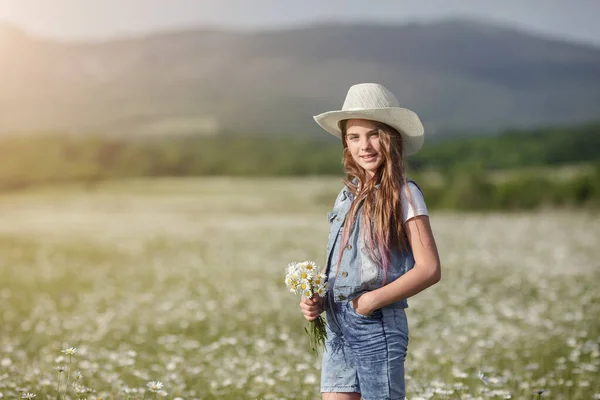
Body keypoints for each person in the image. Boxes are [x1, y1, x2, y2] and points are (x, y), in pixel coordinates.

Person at [299, 83, 441, 400]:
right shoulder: (345, 196)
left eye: (374, 134)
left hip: (375, 325)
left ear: (391, 137)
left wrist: (370, 302)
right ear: (346, 144)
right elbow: (342, 263)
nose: (365, 146)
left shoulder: (405, 194)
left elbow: (429, 268)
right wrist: (321, 299)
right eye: (354, 137)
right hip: (337, 324)